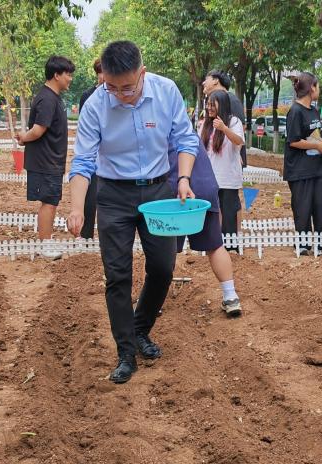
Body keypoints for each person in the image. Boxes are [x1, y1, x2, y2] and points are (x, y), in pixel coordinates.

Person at [68, 41, 198, 384]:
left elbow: (185, 140)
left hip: (157, 192)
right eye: (111, 87)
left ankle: (140, 328)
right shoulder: (96, 105)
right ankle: (125, 352)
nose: (119, 95)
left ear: (142, 73)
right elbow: (82, 162)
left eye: (127, 87)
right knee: (118, 275)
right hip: (113, 195)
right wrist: (77, 209)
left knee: (163, 267)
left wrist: (184, 178)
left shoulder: (166, 92)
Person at [168, 142, 242, 317]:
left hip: (176, 191)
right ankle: (231, 296)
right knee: (215, 246)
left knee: (163, 247)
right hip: (205, 188)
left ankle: (153, 301)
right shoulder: (189, 133)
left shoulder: (156, 130)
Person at [15, 55, 74, 247]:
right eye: (68, 74)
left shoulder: (52, 97)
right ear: (56, 75)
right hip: (45, 161)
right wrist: (24, 137)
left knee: (51, 201)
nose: (70, 78)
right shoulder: (47, 99)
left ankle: (45, 241)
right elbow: (38, 130)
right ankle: (45, 245)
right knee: (49, 202)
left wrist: (24, 137)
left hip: (50, 160)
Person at [284, 72, 322, 256]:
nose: (319, 89)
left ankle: (321, 245)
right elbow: (294, 141)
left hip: (318, 167)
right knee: (302, 208)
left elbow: (314, 135)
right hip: (299, 170)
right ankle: (303, 244)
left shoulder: (313, 110)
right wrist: (317, 146)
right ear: (312, 87)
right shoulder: (295, 111)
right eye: (318, 86)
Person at [199, 90, 245, 245]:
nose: (209, 108)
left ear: (223, 105)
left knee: (229, 213)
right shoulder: (205, 125)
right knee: (211, 212)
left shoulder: (234, 122)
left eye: (213, 104)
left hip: (228, 179)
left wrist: (224, 128)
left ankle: (231, 247)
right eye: (208, 104)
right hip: (209, 178)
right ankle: (213, 244)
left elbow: (239, 141)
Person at [78, 58, 104, 240]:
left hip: (110, 153)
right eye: (100, 72)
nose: (103, 76)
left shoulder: (117, 94)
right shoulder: (87, 96)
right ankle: (86, 234)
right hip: (94, 153)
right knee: (90, 194)